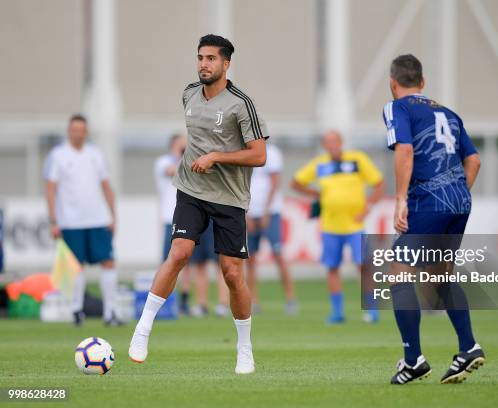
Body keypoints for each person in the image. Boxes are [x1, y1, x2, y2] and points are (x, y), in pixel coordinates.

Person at [129, 34, 268, 375]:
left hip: (230, 199)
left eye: (211, 58)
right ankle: (142, 329)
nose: (203, 63)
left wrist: (217, 157)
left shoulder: (241, 104)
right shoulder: (189, 93)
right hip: (191, 189)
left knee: (232, 275)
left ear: (226, 64)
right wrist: (199, 159)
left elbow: (260, 155)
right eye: (200, 57)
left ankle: (245, 347)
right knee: (178, 253)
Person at [382, 54, 484, 385]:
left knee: (398, 274)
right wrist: (455, 194)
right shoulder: (449, 113)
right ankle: (468, 347)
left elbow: (406, 151)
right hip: (459, 202)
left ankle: (413, 360)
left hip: (428, 201)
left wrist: (400, 200)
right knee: (441, 276)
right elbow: (474, 161)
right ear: (422, 82)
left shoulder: (397, 107)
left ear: (393, 82)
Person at [292, 131, 384, 324]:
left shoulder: (357, 159)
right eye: (328, 142)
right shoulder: (320, 163)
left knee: (364, 266)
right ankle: (337, 312)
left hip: (355, 225)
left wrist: (368, 207)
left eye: (335, 141)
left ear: (341, 142)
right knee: (332, 267)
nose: (332, 145)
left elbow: (378, 183)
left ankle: (372, 310)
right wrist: (317, 194)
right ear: (325, 145)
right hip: (330, 226)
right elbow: (296, 183)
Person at [44, 114, 121, 326]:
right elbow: (50, 189)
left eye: (81, 130)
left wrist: (112, 215)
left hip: (98, 219)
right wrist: (53, 220)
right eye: (74, 130)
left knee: (108, 261)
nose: (78, 133)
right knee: (75, 266)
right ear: (69, 131)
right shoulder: (58, 155)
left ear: (86, 132)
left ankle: (110, 312)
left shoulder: (95, 154)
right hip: (70, 221)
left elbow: (106, 186)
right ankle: (77, 311)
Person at [154, 134, 230, 318]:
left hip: (201, 216)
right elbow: (173, 170)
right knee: (180, 263)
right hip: (172, 219)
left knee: (213, 262)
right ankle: (182, 302)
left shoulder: (199, 160)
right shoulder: (164, 162)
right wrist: (191, 156)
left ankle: (220, 304)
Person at [246, 143, 297, 315]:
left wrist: (266, 211)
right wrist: (246, 213)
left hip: (270, 212)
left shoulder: (271, 152)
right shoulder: (241, 152)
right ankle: (253, 300)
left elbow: (275, 183)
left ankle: (290, 299)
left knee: (278, 254)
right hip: (249, 213)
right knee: (250, 259)